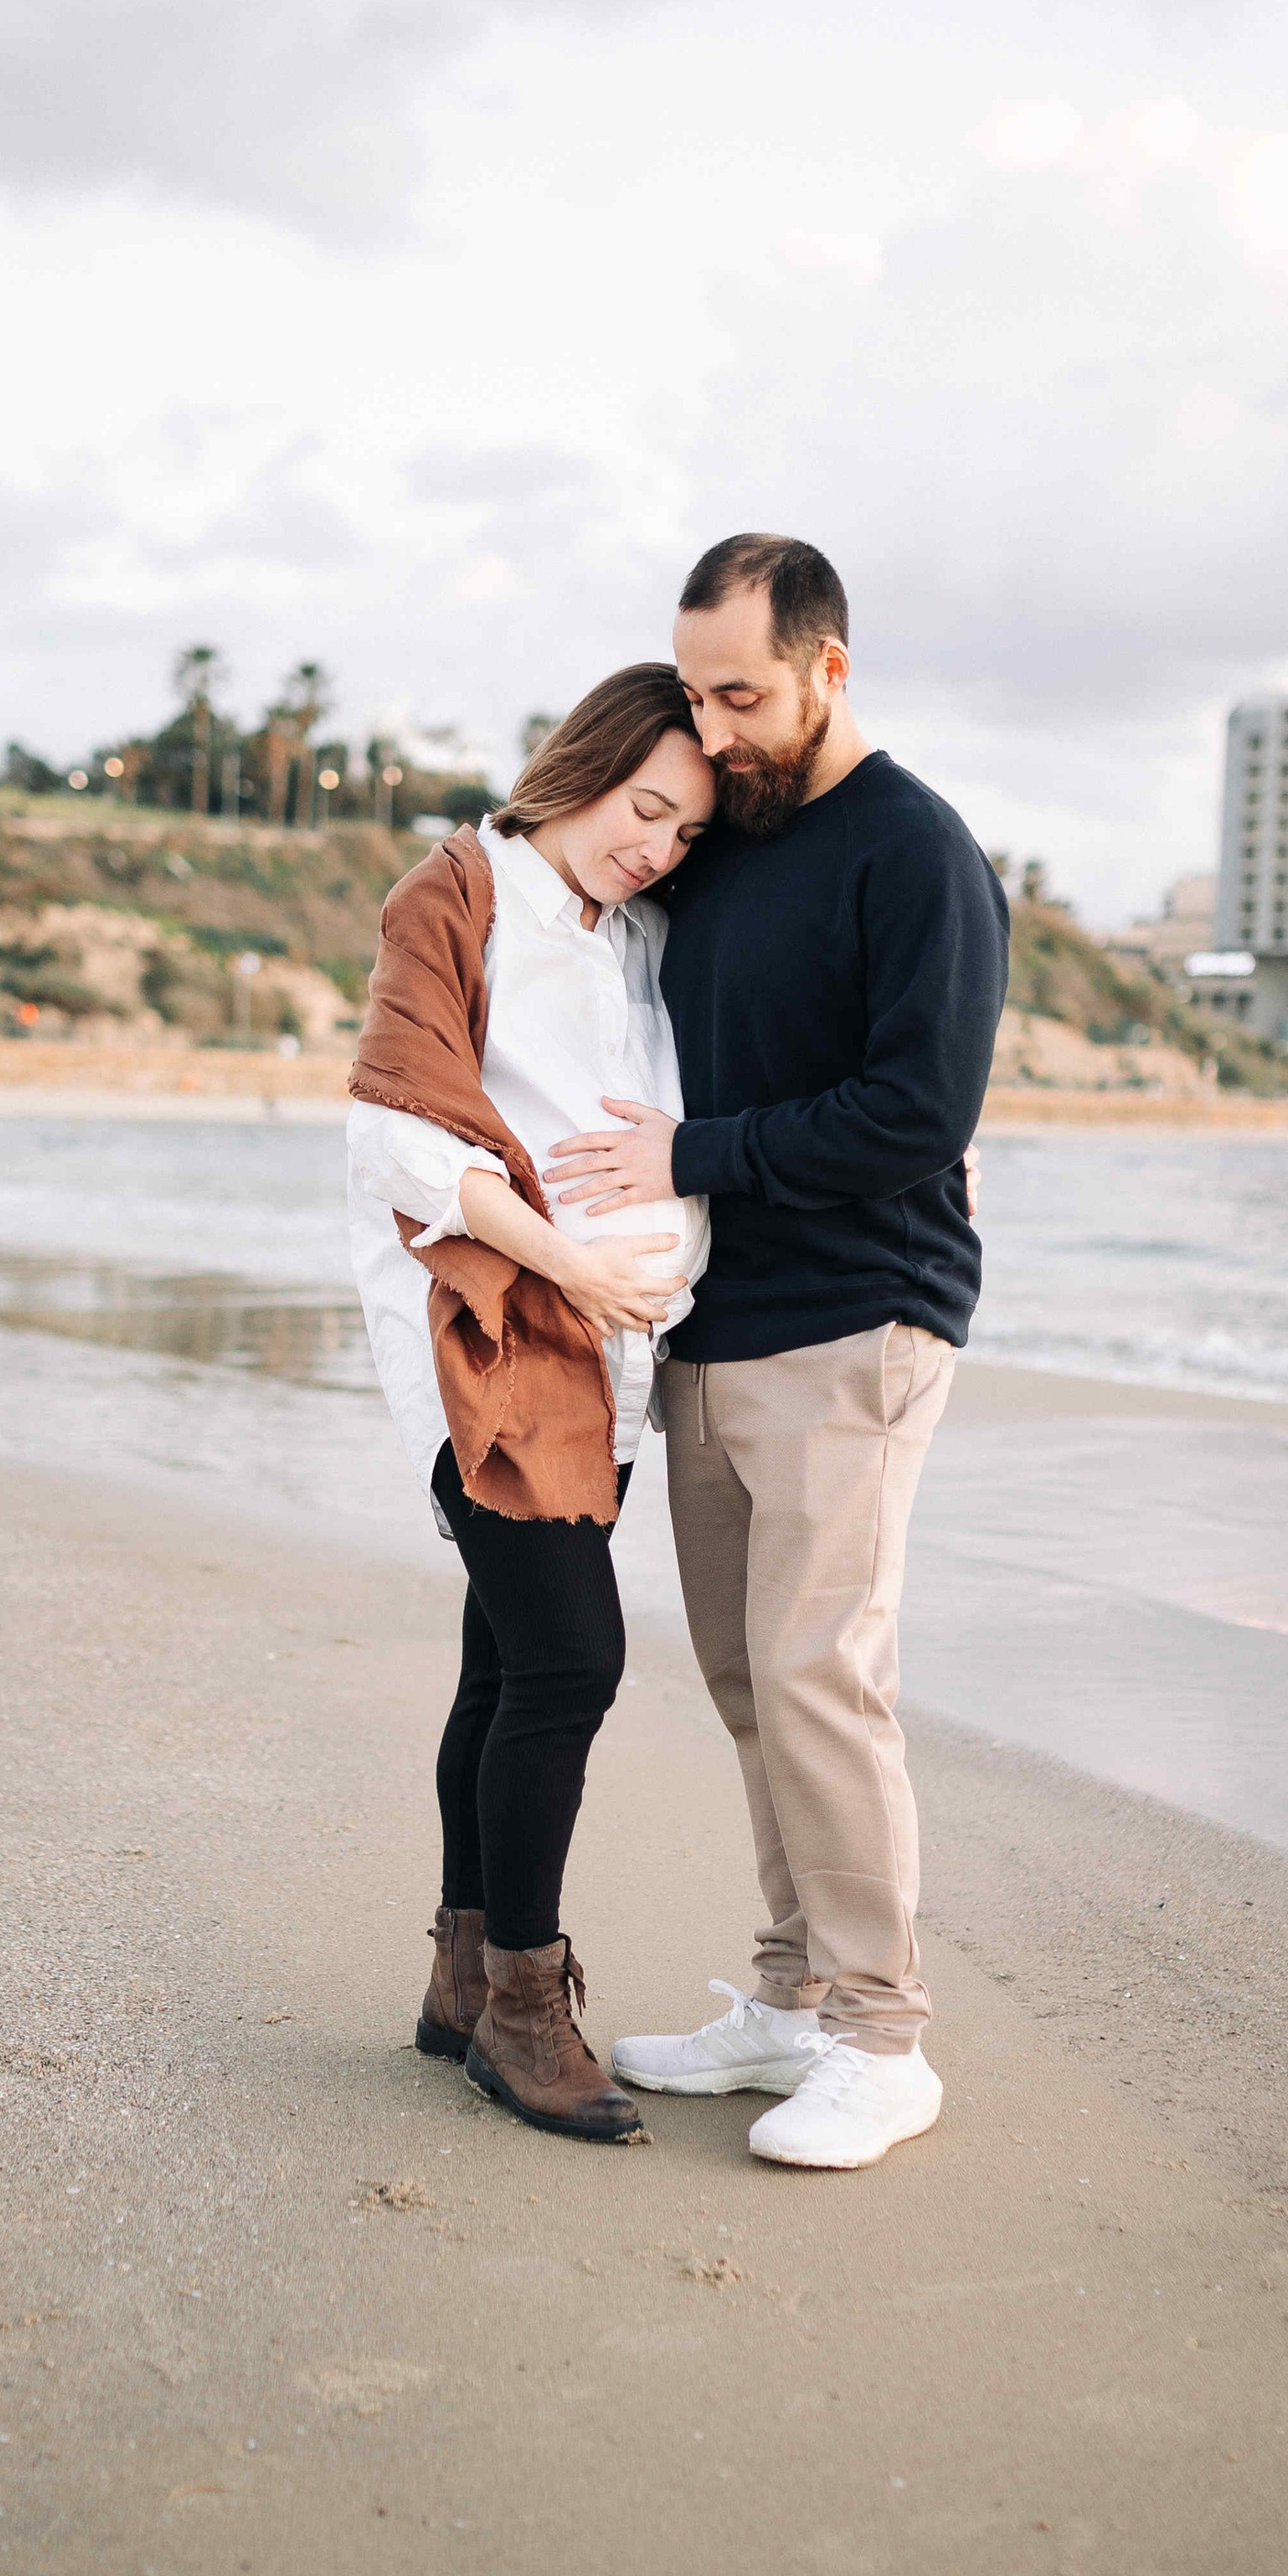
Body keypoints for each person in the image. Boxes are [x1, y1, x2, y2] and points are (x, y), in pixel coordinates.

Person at [546, 536, 1009, 2172]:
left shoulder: (918, 853)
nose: (717, 729)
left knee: (824, 1678)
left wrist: (692, 1157)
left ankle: (884, 2041)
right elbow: (575, 891)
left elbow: (917, 1116)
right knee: (753, 1687)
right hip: (716, 1326)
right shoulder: (722, 841)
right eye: (695, 692)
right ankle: (794, 1998)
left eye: (743, 693)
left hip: (859, 1322)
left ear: (829, 668)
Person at [346, 663, 715, 2142]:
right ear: (585, 767)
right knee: (570, 1663)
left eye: (686, 830)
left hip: (610, 1359)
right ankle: (520, 2001)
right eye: (645, 809)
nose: (656, 846)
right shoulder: (456, 892)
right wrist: (577, 1267)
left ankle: (454, 1977)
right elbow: (400, 1131)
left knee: (504, 1666)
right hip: (489, 1333)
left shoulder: (640, 937)